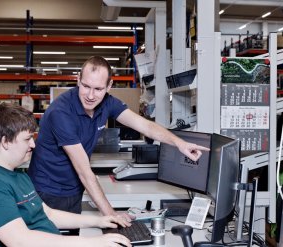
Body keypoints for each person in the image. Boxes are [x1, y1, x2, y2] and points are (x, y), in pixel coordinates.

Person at [28, 56, 210, 221]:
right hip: (47, 190)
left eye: (98, 89)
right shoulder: (61, 113)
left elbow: (145, 126)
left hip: (73, 190)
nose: (90, 96)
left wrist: (179, 143)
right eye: (85, 86)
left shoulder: (107, 103)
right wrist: (111, 215)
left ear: (109, 86)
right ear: (78, 80)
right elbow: (84, 172)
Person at [0, 103, 132, 247]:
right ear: (5, 141)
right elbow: (20, 241)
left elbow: (48, 214)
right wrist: (92, 242)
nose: (33, 145)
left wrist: (98, 221)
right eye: (27, 139)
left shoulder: (17, 174)